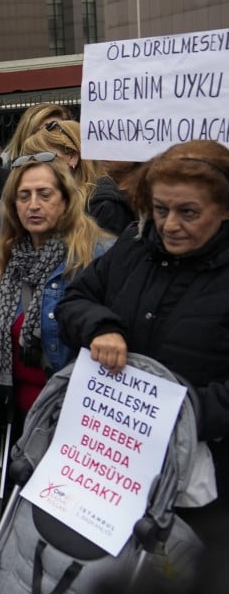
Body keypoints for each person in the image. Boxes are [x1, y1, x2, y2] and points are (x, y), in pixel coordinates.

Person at [56, 140, 229, 548]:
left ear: (224, 210)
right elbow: (75, 300)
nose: (169, 225)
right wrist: (101, 327)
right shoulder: (134, 246)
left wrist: (184, 416)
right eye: (160, 208)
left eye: (188, 212)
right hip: (113, 460)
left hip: (203, 484)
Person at [0, 155, 110, 423]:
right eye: (23, 196)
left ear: (65, 201)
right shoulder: (10, 258)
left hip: (71, 416)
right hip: (15, 416)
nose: (33, 205)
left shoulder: (96, 255)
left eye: (44, 195)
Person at [20, 119, 134, 235]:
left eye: (43, 158)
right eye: (29, 161)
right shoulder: (29, 204)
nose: (34, 168)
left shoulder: (105, 207)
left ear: (72, 157)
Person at [1, 102, 73, 165]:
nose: (50, 137)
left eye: (56, 131)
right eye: (40, 131)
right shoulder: (6, 174)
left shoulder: (76, 174)